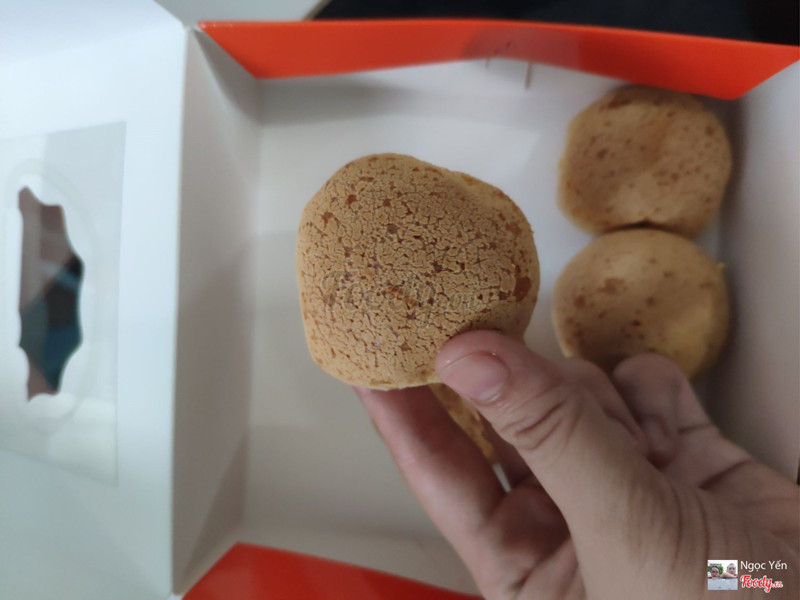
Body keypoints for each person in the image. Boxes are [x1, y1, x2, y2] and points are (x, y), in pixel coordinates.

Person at [356, 331, 799, 599]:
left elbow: (768, 580)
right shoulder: (763, 574)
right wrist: (787, 576)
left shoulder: (759, 575)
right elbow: (769, 578)